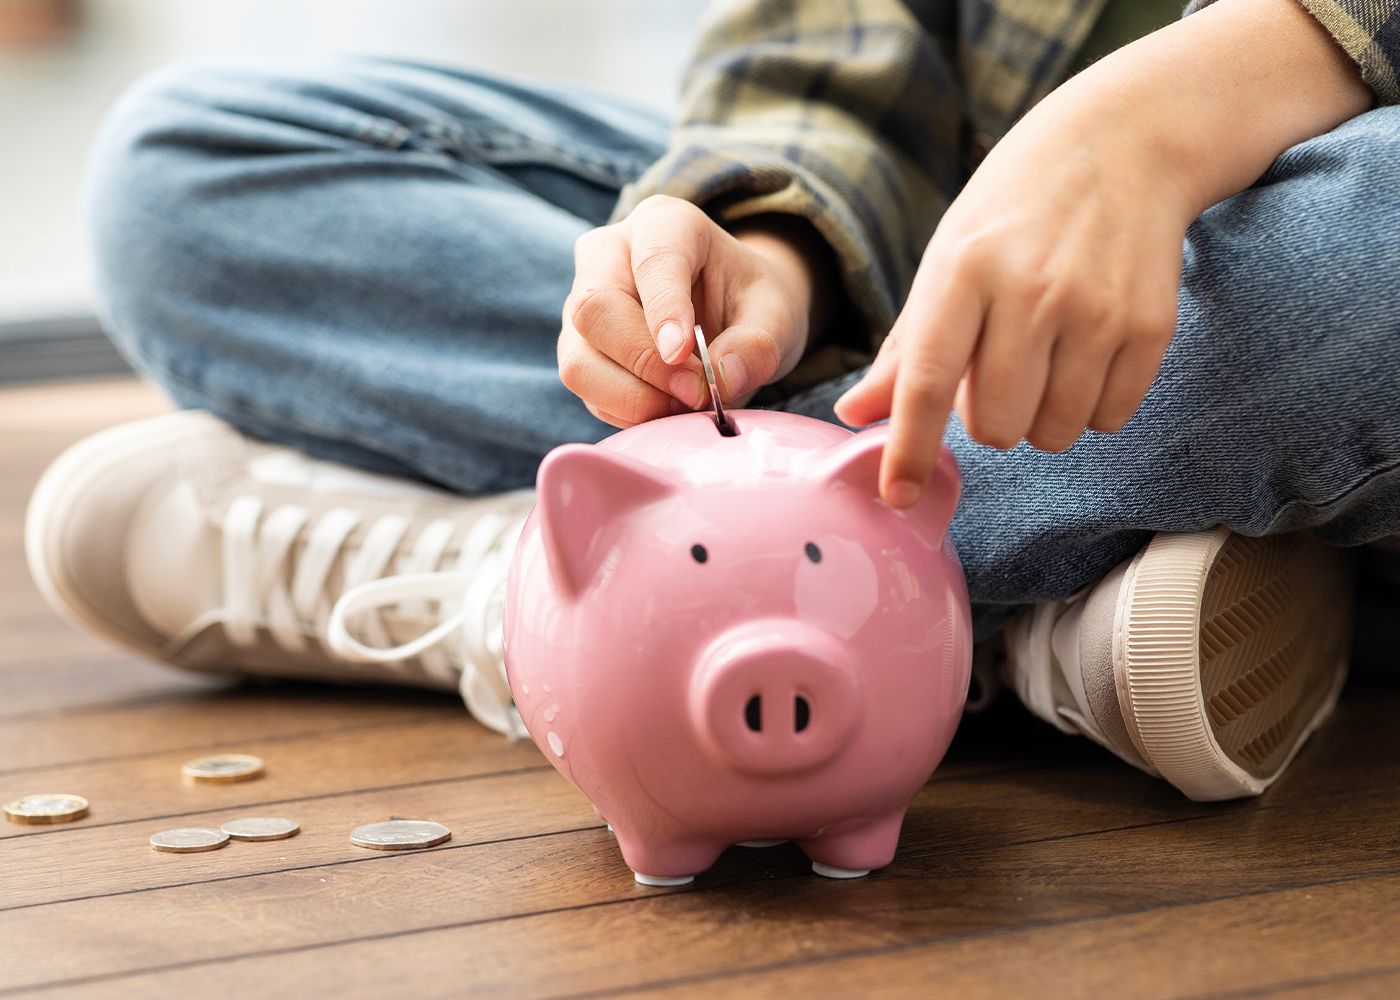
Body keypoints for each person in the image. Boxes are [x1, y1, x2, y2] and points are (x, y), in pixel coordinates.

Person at [26, 0, 1400, 801]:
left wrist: (1174, 113)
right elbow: (833, 44)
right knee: (185, 172)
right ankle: (982, 614)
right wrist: (772, 239)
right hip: (919, 294)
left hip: (1289, 275)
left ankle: (581, 588)